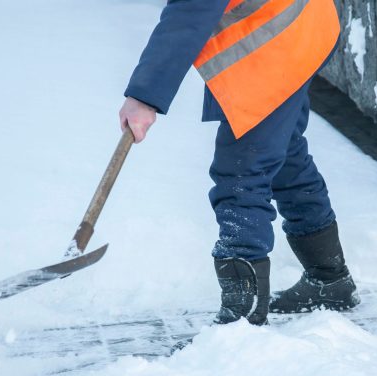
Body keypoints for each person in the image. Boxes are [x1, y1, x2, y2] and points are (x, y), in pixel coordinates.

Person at [119, 0, 360, 325]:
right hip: (300, 22)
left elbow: (190, 13)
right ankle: (330, 280)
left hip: (274, 38)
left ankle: (241, 323)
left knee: (242, 174)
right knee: (284, 155)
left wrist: (144, 97)